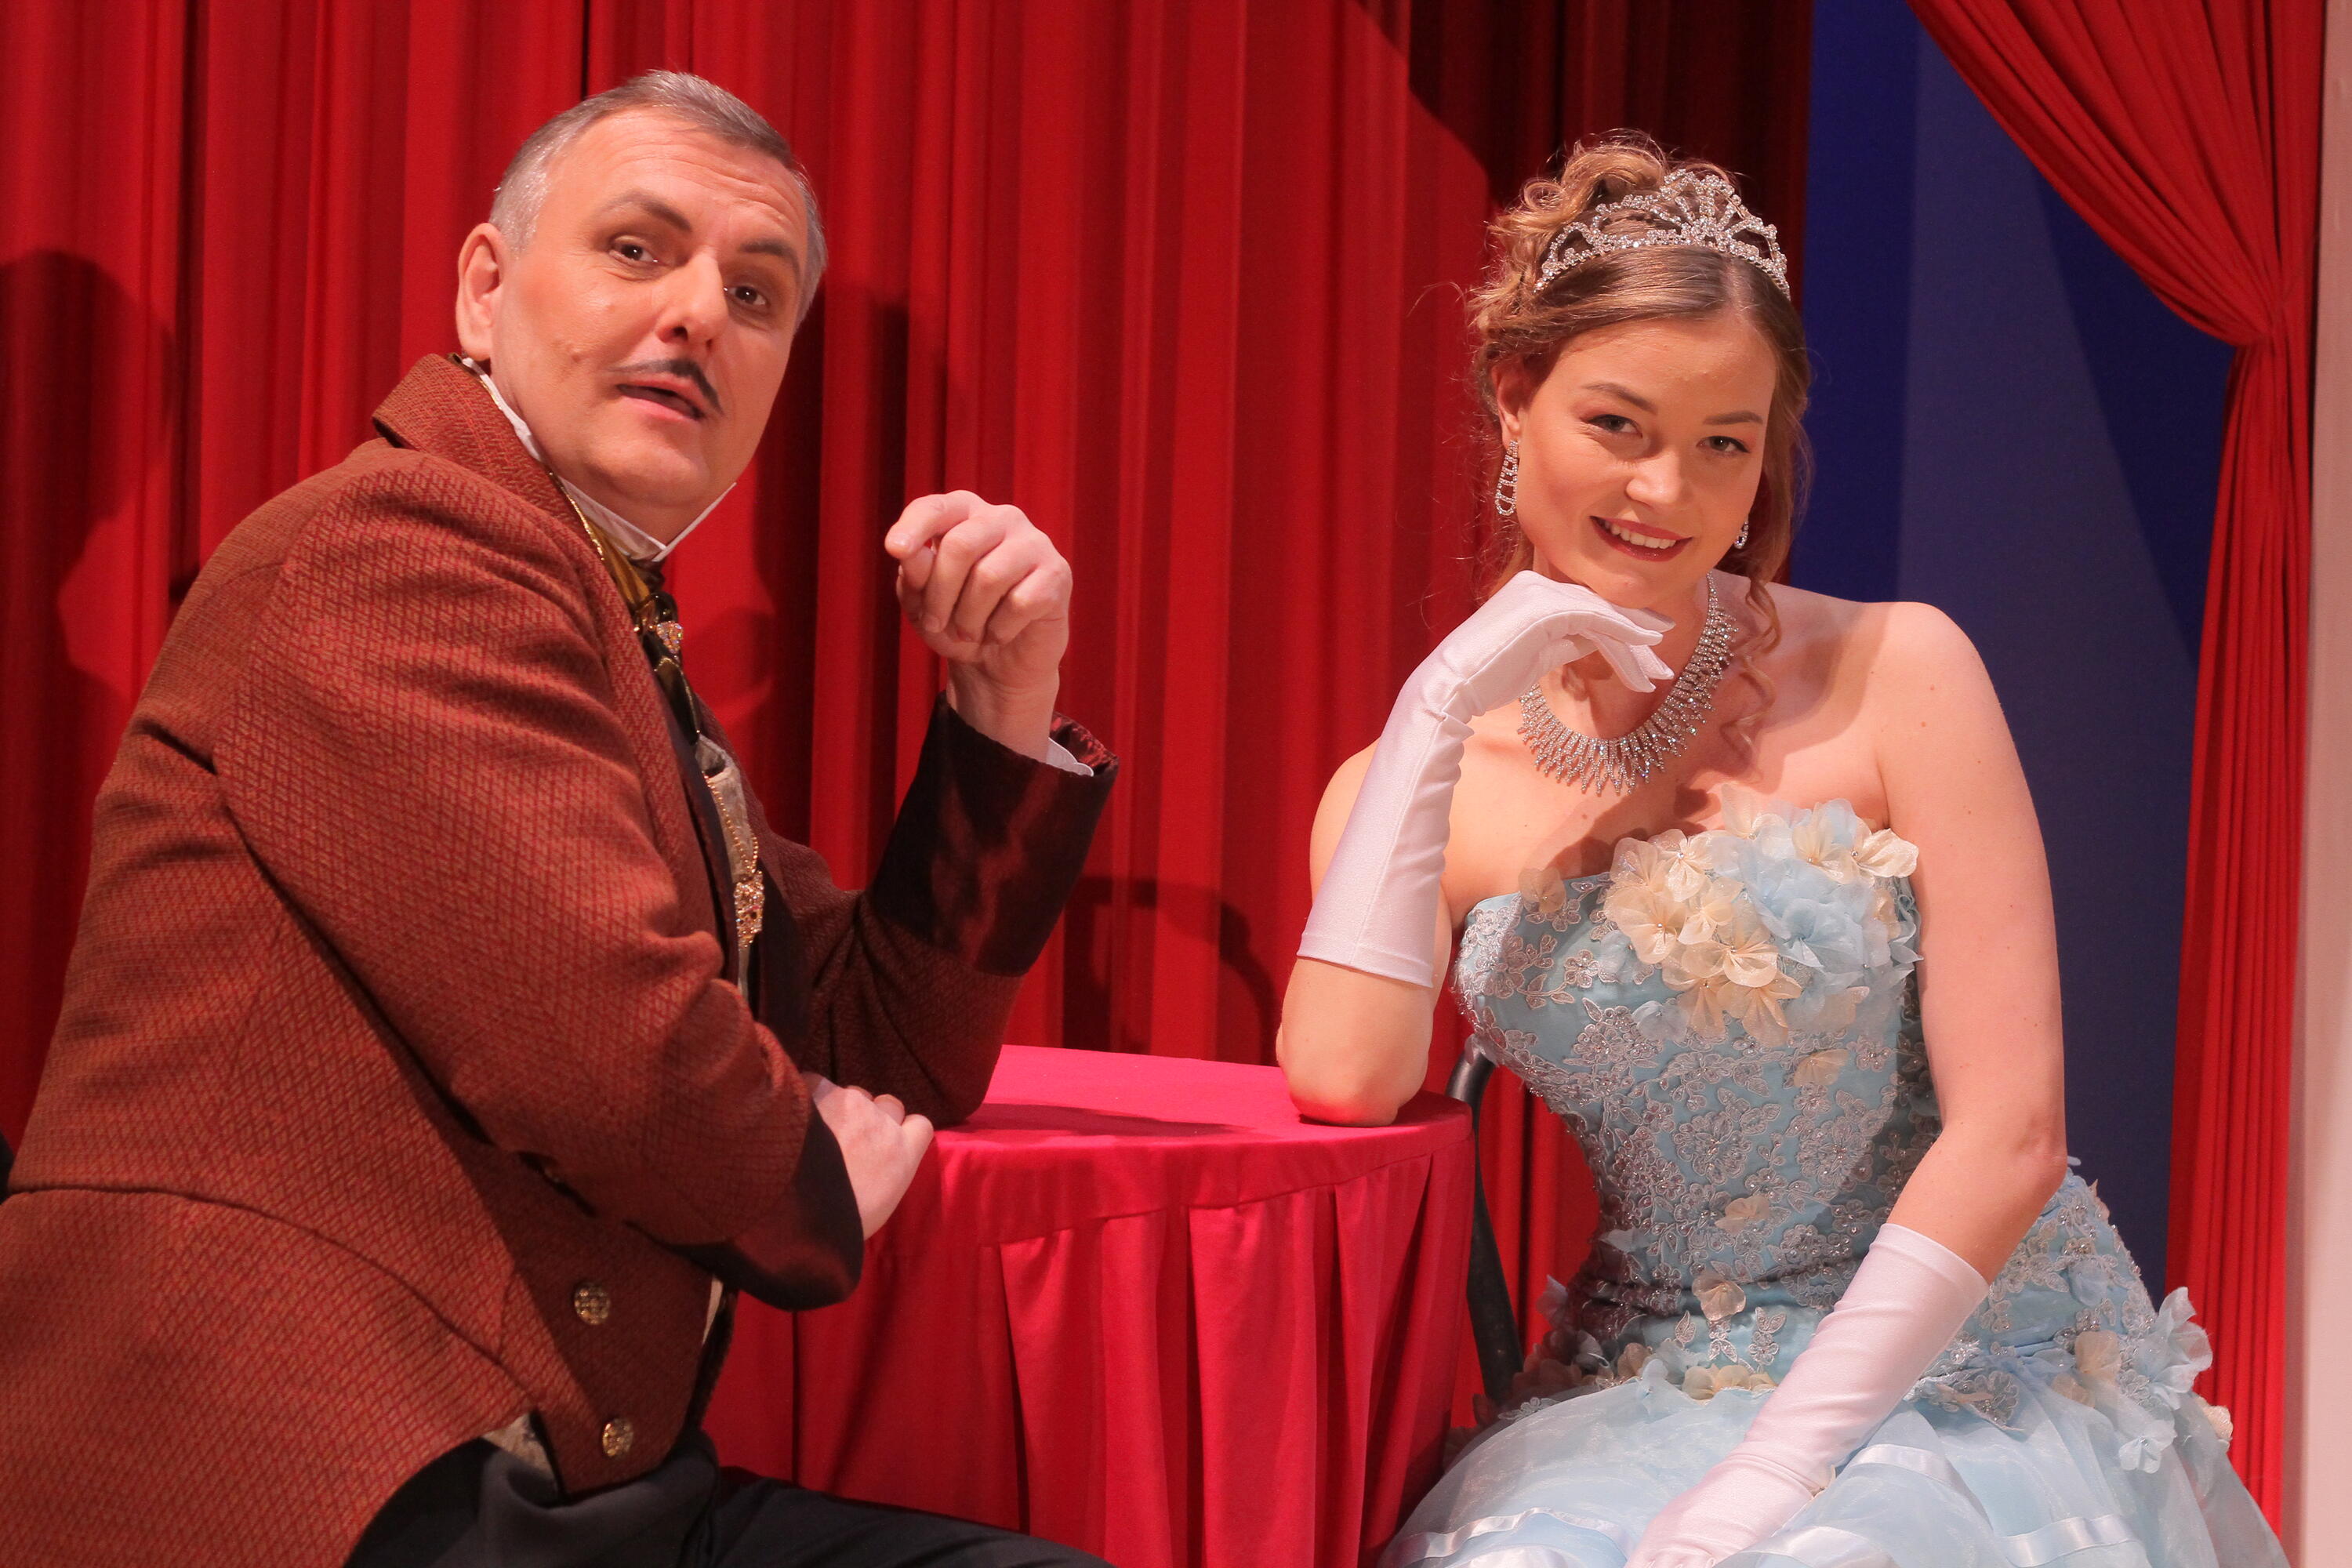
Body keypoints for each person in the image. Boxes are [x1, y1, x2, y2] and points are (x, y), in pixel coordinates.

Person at [0, 72, 1116, 1568]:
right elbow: (625, 1066)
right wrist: (806, 1181)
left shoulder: (592, 610)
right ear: (485, 289)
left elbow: (880, 1051)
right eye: (636, 250)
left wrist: (999, 711)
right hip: (306, 1475)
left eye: (757, 293)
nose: (700, 313)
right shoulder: (402, 545)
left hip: (562, 1480)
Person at [1278, 136, 2285, 1567]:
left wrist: (1775, 1473)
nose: (1668, 491)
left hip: (1964, 1366)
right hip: (1645, 1386)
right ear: (1515, 398)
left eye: (1725, 444)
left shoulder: (1902, 671)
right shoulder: (1410, 780)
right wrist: (1441, 704)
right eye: (1618, 425)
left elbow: (2013, 1134)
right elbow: (1341, 1078)